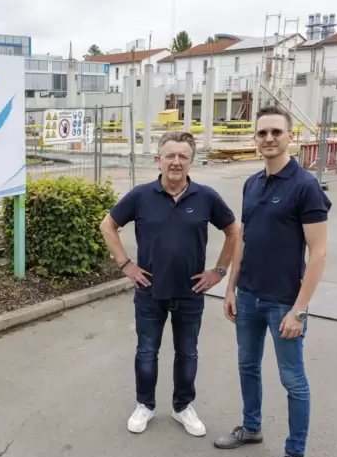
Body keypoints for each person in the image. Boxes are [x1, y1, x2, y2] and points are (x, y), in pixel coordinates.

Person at [215, 105, 331, 457]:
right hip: (248, 297)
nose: (268, 139)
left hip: (285, 302)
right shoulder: (251, 183)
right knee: (247, 367)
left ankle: (295, 454)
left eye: (275, 132)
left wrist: (299, 310)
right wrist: (231, 289)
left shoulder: (305, 185)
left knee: (292, 379)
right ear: (255, 138)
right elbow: (243, 240)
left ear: (290, 135)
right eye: (262, 133)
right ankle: (251, 428)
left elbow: (319, 252)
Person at [100, 131, 239, 437]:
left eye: (183, 156)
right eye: (170, 156)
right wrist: (126, 264)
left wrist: (218, 270)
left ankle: (182, 407)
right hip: (150, 292)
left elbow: (233, 230)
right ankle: (145, 405)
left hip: (191, 293)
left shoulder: (206, 197)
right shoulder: (140, 196)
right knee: (147, 351)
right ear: (158, 159)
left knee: (187, 353)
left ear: (191, 161)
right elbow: (107, 225)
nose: (176, 162)